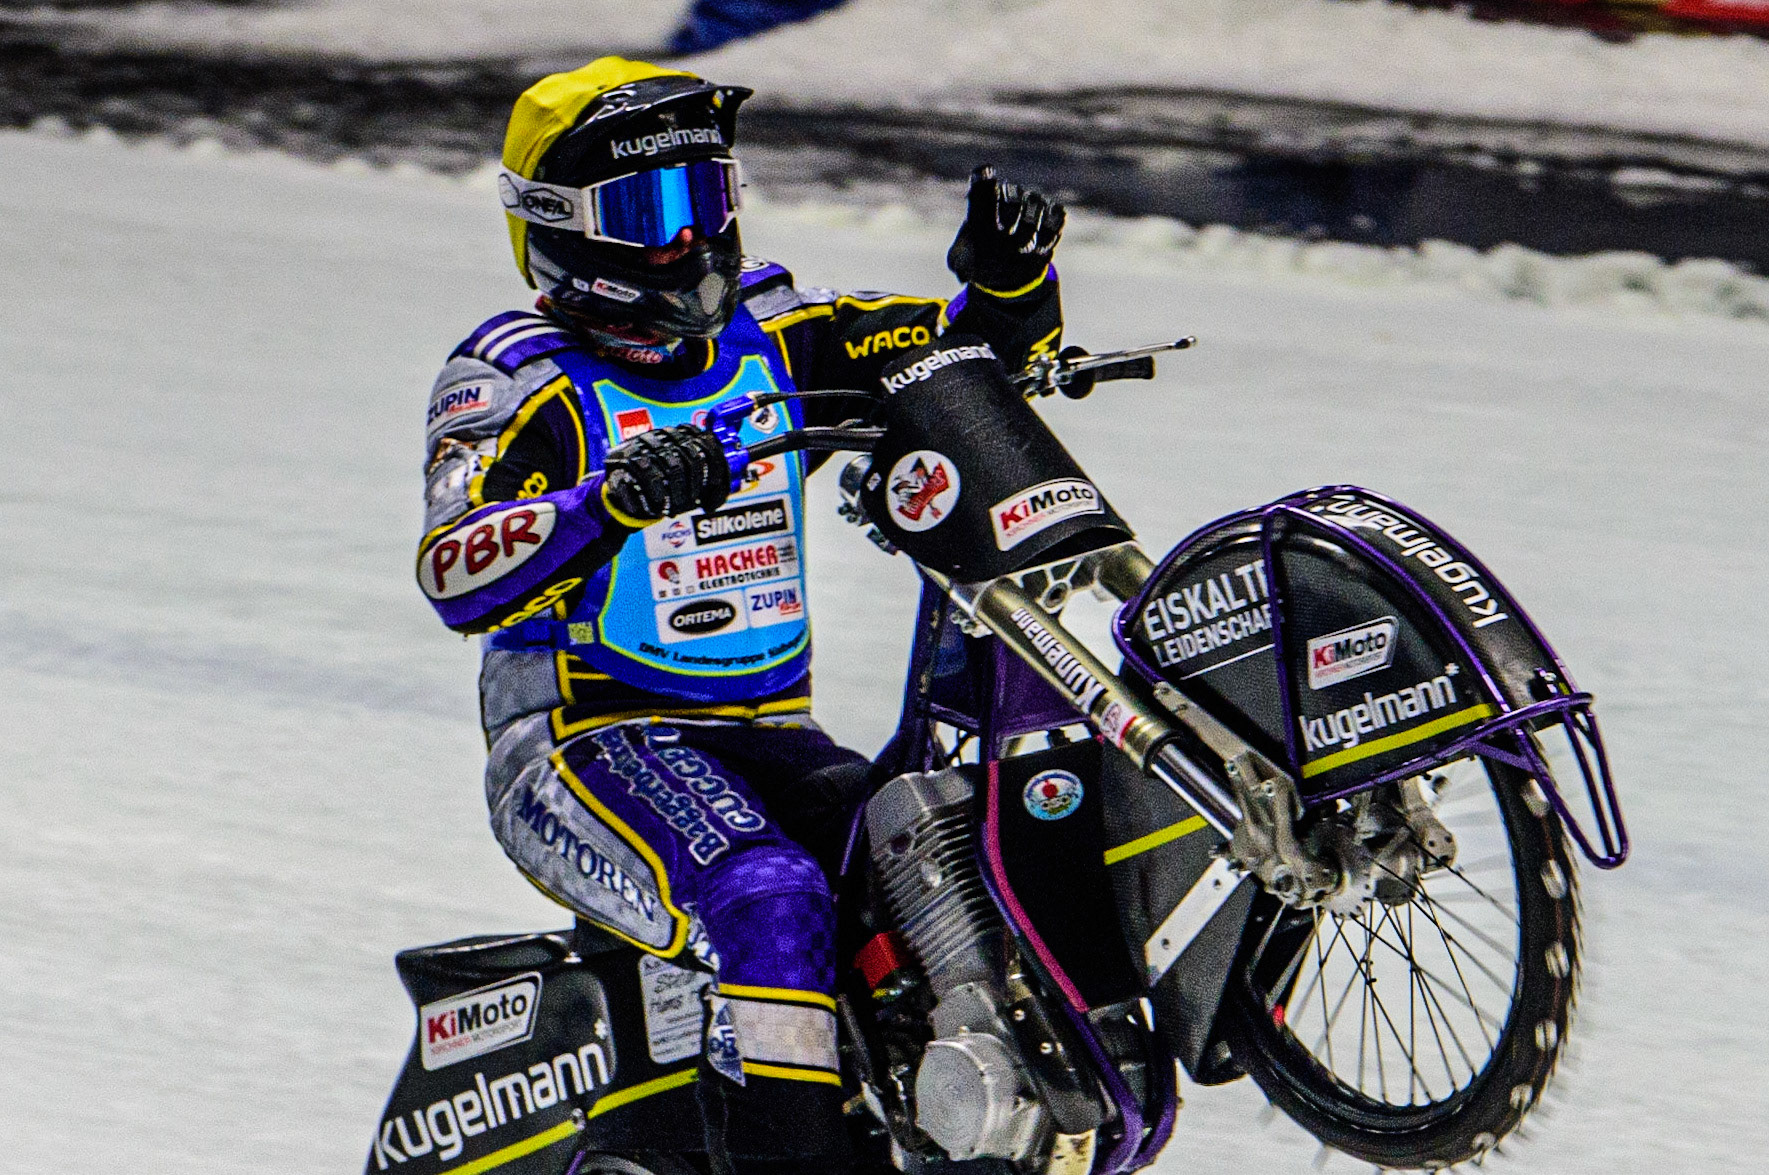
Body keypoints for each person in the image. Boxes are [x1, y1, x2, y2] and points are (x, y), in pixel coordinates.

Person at [416, 56, 1066, 1175]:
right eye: (646, 212)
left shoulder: (772, 328)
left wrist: (1009, 289)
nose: (687, 240)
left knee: (926, 855)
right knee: (767, 895)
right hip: (581, 744)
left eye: (704, 198)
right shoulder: (510, 377)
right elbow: (452, 567)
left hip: (768, 734)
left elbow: (951, 358)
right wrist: (608, 500)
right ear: (556, 228)